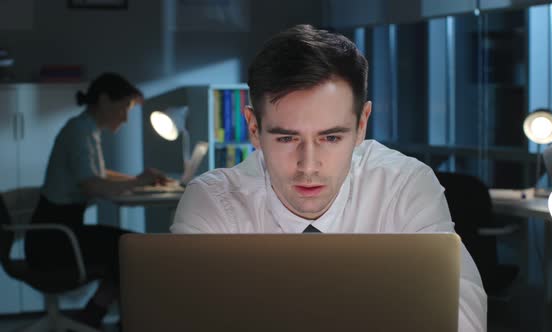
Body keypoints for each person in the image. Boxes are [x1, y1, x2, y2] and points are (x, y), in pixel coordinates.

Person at [171, 25, 487, 331]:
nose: (308, 166)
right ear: (254, 128)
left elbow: (463, 321)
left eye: (331, 138)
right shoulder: (213, 201)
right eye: (286, 139)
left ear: (362, 124)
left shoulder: (404, 186)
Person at [25, 72, 168, 328]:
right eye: (124, 107)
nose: (125, 118)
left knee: (128, 246)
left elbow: (98, 175)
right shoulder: (79, 131)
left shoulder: (85, 129)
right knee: (132, 248)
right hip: (54, 241)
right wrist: (138, 182)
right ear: (104, 100)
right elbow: (93, 185)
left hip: (59, 233)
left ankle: (93, 315)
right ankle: (106, 317)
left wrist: (138, 178)